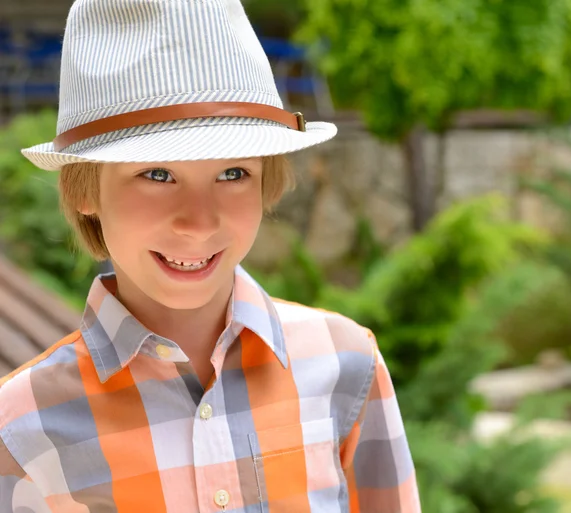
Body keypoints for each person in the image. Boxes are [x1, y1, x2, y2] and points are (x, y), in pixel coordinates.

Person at [0, 0, 421, 511]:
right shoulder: (21, 427)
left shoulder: (346, 364)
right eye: (157, 174)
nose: (198, 221)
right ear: (85, 190)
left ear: (268, 182)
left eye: (233, 173)